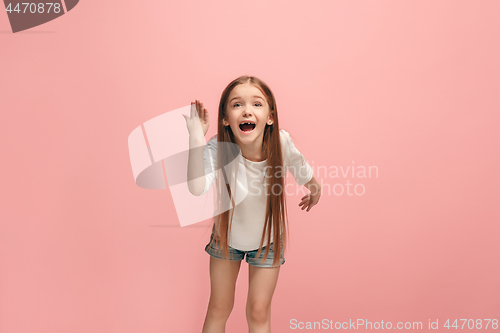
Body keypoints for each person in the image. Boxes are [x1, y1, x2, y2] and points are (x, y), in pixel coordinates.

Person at [182, 75, 322, 333]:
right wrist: (195, 138)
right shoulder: (219, 147)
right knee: (219, 308)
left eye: (257, 104)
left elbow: (303, 170)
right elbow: (196, 187)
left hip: (267, 240)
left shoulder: (281, 142)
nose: (247, 110)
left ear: (270, 116)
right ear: (225, 119)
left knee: (258, 312)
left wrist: (315, 189)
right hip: (227, 239)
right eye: (237, 105)